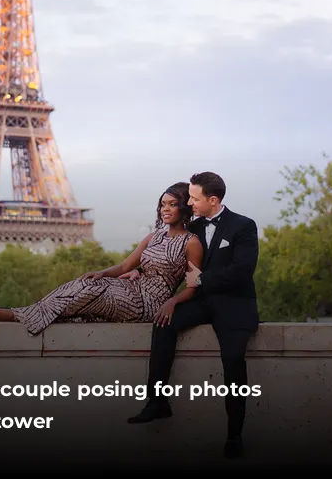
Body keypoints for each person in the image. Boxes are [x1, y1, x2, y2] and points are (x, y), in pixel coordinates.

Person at [127, 171, 259, 461]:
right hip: (201, 302)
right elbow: (170, 257)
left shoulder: (244, 226)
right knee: (164, 324)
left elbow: (242, 270)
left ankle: (234, 434)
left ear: (213, 200)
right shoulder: (192, 228)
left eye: (194, 198)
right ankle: (157, 400)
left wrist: (202, 280)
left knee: (234, 362)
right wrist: (141, 270)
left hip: (234, 304)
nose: (189, 202)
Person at [0, 182, 204, 335]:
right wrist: (102, 273)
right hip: (132, 290)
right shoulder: (152, 236)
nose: (166, 209)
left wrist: (172, 302)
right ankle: (29, 313)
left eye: (172, 204)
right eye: (163, 204)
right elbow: (125, 265)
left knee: (91, 293)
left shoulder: (191, 243)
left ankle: (18, 315)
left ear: (184, 207)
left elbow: (193, 286)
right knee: (90, 283)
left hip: (150, 303)